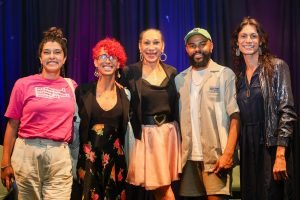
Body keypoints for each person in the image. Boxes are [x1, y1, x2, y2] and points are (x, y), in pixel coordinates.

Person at [1, 27, 75, 199]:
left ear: (64, 59)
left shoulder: (72, 86)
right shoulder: (23, 84)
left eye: (57, 52)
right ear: (40, 57)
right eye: (46, 52)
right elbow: (12, 126)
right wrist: (5, 164)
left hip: (59, 157)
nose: (52, 56)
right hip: (27, 154)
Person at [231, 16, 297, 200]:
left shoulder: (277, 67)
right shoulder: (238, 77)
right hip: (247, 147)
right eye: (243, 36)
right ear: (237, 42)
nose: (248, 41)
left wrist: (280, 154)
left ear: (261, 41)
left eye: (253, 36)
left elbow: (287, 112)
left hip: (271, 146)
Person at [175, 28, 240, 200]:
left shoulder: (225, 75)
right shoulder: (179, 79)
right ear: (186, 49)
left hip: (216, 158)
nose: (197, 49)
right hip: (188, 160)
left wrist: (228, 154)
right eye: (192, 45)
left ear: (212, 46)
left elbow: (235, 117)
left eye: (202, 44)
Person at [120, 28, 182, 200]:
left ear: (163, 46)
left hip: (169, 135)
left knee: (162, 187)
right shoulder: (129, 72)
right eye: (146, 43)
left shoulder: (172, 72)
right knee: (161, 188)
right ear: (139, 46)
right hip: (146, 137)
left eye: (156, 42)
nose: (151, 47)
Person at [75, 38, 129, 200]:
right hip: (88, 161)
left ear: (119, 63)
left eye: (113, 57)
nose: (107, 61)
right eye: (103, 56)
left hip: (115, 162)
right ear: (95, 62)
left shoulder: (125, 95)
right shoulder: (82, 91)